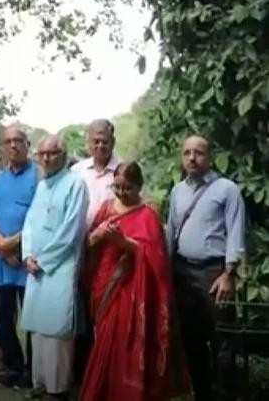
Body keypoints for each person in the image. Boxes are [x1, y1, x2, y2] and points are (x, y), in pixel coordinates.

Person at [80, 162, 190, 401]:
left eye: (127, 188)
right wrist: (97, 235)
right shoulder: (106, 208)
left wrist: (124, 242)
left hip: (133, 288)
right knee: (104, 342)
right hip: (105, 284)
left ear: (139, 186)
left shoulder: (148, 213)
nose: (120, 193)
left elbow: (156, 257)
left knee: (126, 343)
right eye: (116, 187)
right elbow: (88, 243)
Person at [167, 135, 246, 401]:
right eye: (187, 152)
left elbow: (236, 233)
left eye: (198, 153)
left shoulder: (227, 189)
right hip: (182, 272)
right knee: (192, 339)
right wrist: (166, 269)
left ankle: (226, 393)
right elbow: (171, 232)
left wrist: (229, 274)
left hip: (214, 274)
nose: (192, 158)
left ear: (209, 157)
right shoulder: (178, 190)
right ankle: (202, 394)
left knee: (222, 339)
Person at [20, 134, 88, 400]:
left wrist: (44, 261)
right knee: (38, 327)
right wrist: (27, 256)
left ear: (64, 154)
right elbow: (29, 225)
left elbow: (71, 231)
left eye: (52, 153)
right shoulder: (41, 186)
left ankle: (58, 388)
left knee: (57, 329)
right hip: (34, 267)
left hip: (59, 267)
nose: (46, 158)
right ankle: (40, 382)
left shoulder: (75, 184)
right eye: (42, 154)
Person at [0, 125, 38, 388]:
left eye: (18, 140)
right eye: (8, 141)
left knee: (33, 320)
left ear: (27, 144)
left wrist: (13, 245)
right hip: (3, 263)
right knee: (2, 320)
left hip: (27, 262)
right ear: (3, 147)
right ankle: (14, 366)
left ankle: (32, 370)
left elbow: (39, 219)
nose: (13, 145)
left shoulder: (38, 176)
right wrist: (2, 246)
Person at [70, 118, 121, 385]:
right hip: (80, 248)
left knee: (109, 309)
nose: (100, 145)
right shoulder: (77, 171)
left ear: (113, 141)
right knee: (80, 307)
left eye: (105, 140)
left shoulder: (122, 171)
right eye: (95, 141)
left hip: (112, 249)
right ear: (88, 142)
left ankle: (109, 374)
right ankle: (82, 374)